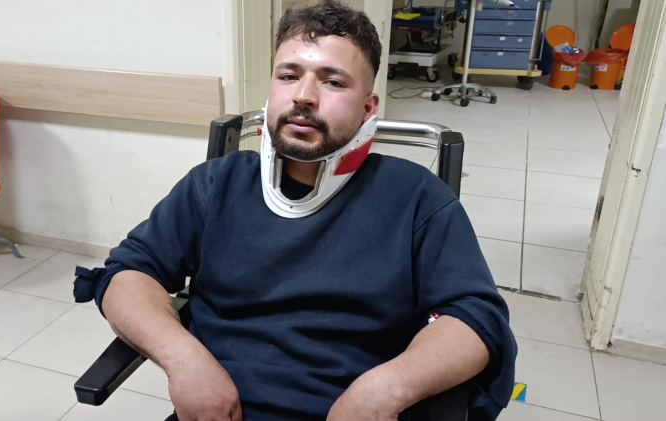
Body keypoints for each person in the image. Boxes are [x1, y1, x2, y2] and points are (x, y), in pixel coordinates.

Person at [74, 1, 516, 420]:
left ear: (368, 107)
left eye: (333, 82)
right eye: (289, 76)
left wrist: (386, 389)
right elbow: (129, 273)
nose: (304, 96)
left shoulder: (417, 197)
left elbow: (475, 318)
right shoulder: (216, 184)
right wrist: (184, 360)